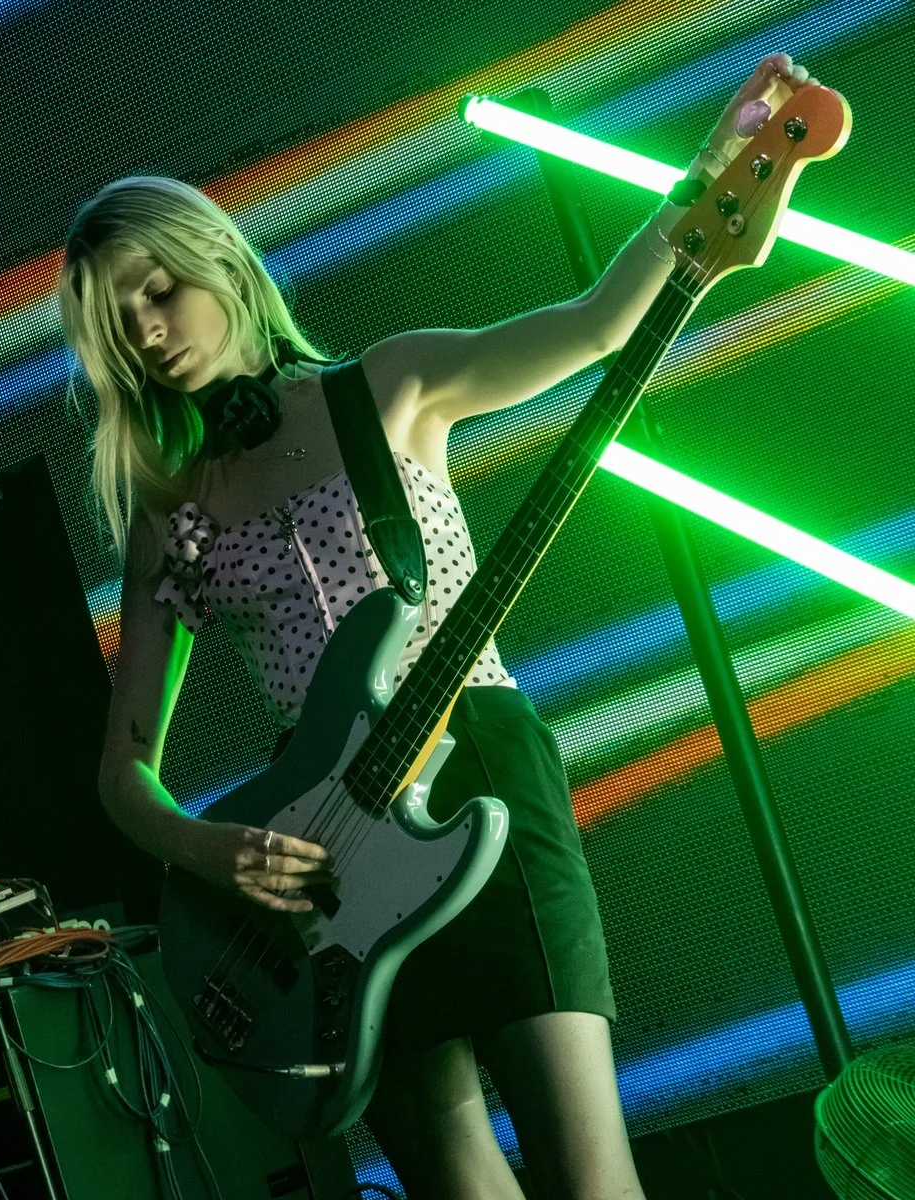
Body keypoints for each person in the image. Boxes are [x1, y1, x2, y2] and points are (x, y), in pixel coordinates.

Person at [59, 52, 816, 1200]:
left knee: (592, 1179)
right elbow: (125, 775)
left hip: (489, 779)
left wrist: (708, 174)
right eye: (119, 323)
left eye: (157, 289)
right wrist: (216, 851)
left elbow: (599, 326)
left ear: (218, 259)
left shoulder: (390, 387)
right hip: (325, 861)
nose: (148, 329)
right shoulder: (172, 515)